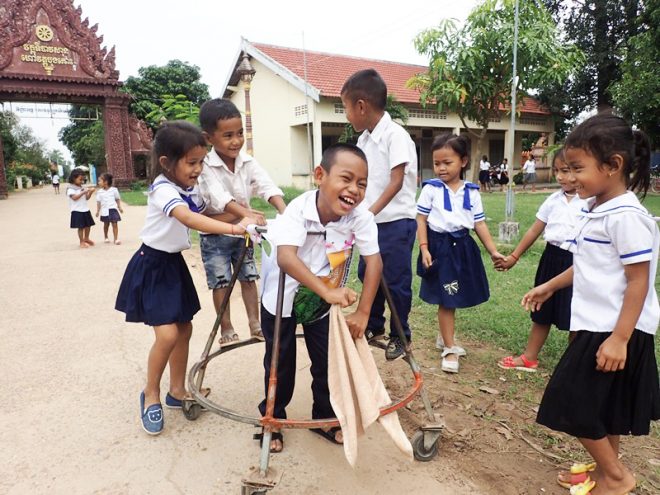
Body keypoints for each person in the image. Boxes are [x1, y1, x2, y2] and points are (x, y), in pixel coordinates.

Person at [522, 114, 659, 495]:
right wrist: (549, 285)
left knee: (569, 402)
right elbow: (587, 264)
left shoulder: (627, 217)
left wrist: (619, 338)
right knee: (605, 408)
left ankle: (617, 477)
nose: (571, 177)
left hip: (615, 330)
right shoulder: (598, 209)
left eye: (577, 168)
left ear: (613, 166)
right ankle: (604, 473)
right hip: (596, 324)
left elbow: (638, 281)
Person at [115, 121, 257, 435]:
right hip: (152, 265)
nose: (198, 169)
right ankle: (150, 393)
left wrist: (246, 216)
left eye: (201, 161)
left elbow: (206, 217)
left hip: (173, 265)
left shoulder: (187, 187)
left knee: (184, 329)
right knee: (166, 335)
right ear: (167, 162)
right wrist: (235, 228)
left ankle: (176, 391)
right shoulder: (163, 188)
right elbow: (189, 218)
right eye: (191, 162)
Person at [256, 143, 383, 452]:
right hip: (281, 297)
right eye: (346, 178)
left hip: (321, 303)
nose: (353, 190)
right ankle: (273, 418)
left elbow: (374, 261)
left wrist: (364, 312)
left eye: (362, 184)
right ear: (320, 175)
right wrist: (327, 290)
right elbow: (286, 257)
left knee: (327, 362)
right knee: (279, 362)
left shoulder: (360, 216)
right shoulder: (297, 211)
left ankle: (324, 417)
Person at [340, 68, 417, 361]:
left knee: (395, 280)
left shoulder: (395, 135)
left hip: (396, 222)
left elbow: (396, 181)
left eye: (346, 108)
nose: (346, 115)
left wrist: (369, 213)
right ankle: (374, 325)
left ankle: (401, 335)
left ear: (361, 106)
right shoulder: (363, 141)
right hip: (370, 221)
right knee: (367, 273)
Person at [198, 99, 286, 345]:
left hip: (243, 233)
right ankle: (226, 328)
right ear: (209, 138)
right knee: (221, 281)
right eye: (228, 135)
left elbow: (266, 185)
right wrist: (246, 213)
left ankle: (255, 324)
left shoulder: (247, 161)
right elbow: (220, 198)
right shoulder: (204, 165)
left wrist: (283, 209)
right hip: (215, 232)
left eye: (239, 134)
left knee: (249, 276)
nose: (236, 141)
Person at [416, 133, 505, 373]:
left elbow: (480, 224)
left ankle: (445, 337)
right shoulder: (430, 189)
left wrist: (493, 251)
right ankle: (449, 348)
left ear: (463, 161)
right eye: (437, 163)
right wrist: (424, 248)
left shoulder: (472, 191)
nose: (441, 168)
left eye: (447, 162)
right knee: (447, 299)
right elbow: (421, 220)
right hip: (438, 248)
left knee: (453, 296)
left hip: (462, 247)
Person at [495, 150, 587, 371]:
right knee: (541, 310)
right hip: (551, 258)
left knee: (576, 314)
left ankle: (573, 366)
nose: (560, 177)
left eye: (566, 171)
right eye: (557, 171)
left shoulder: (590, 201)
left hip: (577, 263)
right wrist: (514, 256)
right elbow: (535, 230)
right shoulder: (553, 200)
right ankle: (529, 357)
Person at [66, 169, 95, 248]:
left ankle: (86, 238)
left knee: (88, 225)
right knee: (81, 227)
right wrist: (83, 192)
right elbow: (74, 198)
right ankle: (81, 242)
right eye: (80, 179)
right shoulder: (70, 188)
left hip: (85, 209)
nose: (82, 181)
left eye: (83, 179)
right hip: (77, 210)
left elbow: (86, 198)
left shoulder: (82, 187)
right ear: (73, 178)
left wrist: (90, 192)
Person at [95, 173, 124, 245]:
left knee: (115, 224)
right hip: (104, 210)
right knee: (106, 224)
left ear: (106, 182)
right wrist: (98, 211)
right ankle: (106, 237)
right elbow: (98, 202)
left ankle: (116, 239)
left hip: (113, 209)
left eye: (100, 181)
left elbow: (117, 199)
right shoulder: (99, 192)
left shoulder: (114, 190)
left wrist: (119, 207)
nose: (98, 182)